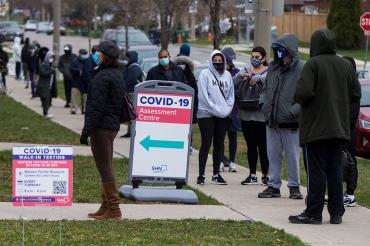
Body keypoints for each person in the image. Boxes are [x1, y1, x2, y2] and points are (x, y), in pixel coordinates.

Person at [289, 29, 361, 225]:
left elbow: (302, 93)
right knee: (335, 171)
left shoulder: (313, 64)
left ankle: (313, 212)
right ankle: (336, 213)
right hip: (339, 128)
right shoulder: (346, 65)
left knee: (317, 172)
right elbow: (356, 94)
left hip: (316, 129)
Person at [80, 41, 126, 220]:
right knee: (105, 167)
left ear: (105, 56)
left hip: (101, 128)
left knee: (105, 168)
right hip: (112, 126)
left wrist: (85, 132)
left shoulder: (101, 77)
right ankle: (105, 206)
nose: (95, 54)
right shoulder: (116, 74)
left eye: (98, 52)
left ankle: (114, 209)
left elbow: (94, 108)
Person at [257, 34, 304, 199]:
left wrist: (294, 111)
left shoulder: (301, 68)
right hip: (272, 120)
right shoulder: (273, 67)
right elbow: (266, 89)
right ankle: (273, 186)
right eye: (276, 50)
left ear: (290, 50)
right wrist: (263, 104)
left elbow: (306, 95)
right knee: (273, 154)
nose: (278, 53)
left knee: (292, 156)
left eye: (281, 50)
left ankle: (294, 187)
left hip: (290, 121)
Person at [196, 50, 235, 185]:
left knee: (219, 144)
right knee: (206, 144)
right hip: (206, 114)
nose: (218, 63)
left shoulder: (228, 75)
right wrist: (216, 109)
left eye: (220, 60)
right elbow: (203, 96)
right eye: (215, 60)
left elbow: (231, 95)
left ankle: (216, 174)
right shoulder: (204, 74)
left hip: (223, 115)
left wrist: (226, 109)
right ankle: (201, 175)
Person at [234, 46, 270, 185]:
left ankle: (265, 175)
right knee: (251, 146)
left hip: (261, 116)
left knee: (263, 147)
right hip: (246, 114)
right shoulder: (244, 70)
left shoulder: (269, 72)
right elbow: (233, 83)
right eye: (252, 57)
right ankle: (252, 174)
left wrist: (257, 77)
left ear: (263, 58)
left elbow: (268, 80)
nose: (254, 60)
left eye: (257, 57)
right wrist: (241, 76)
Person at [342, 56, 360, 207]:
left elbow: (352, 114)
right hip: (340, 130)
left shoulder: (354, 86)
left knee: (350, 162)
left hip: (348, 132)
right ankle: (341, 193)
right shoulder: (344, 85)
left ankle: (350, 194)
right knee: (339, 162)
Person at [220, 47, 240, 173]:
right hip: (221, 110)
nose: (230, 63)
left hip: (234, 110)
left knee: (233, 136)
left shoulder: (238, 72)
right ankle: (221, 161)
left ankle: (232, 161)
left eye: (231, 60)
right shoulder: (218, 72)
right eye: (228, 60)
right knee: (220, 137)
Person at [120, 50, 144, 138]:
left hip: (133, 93)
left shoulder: (134, 67)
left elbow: (130, 80)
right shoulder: (130, 67)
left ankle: (131, 131)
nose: (125, 60)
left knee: (132, 112)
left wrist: (124, 88)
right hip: (131, 92)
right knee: (130, 113)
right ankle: (129, 131)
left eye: (127, 58)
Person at [36, 51, 57, 120]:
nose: (52, 59)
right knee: (45, 100)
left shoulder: (51, 66)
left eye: (53, 58)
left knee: (47, 101)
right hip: (44, 86)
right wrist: (51, 71)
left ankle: (45, 113)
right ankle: (45, 114)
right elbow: (43, 73)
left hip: (49, 87)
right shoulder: (43, 65)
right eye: (51, 57)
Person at [81, 45, 99, 114]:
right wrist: (93, 83)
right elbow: (87, 74)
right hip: (88, 86)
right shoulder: (88, 61)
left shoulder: (96, 60)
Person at [70, 49, 88, 114]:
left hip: (84, 83)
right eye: (83, 54)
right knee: (74, 96)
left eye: (85, 54)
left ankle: (84, 109)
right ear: (79, 54)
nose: (84, 55)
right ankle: (73, 109)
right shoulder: (74, 61)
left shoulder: (87, 61)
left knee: (85, 97)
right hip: (75, 82)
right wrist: (78, 71)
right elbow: (71, 69)